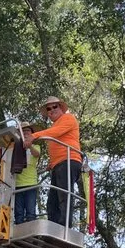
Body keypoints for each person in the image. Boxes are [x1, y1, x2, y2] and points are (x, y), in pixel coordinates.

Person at [24, 96, 81, 227]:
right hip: (59, 164)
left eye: (54, 107)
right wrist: (52, 163)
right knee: (52, 201)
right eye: (48, 109)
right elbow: (58, 139)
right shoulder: (55, 124)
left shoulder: (68, 118)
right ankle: (53, 226)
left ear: (61, 108)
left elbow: (56, 132)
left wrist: (34, 135)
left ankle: (64, 226)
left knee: (64, 195)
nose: (51, 110)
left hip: (69, 160)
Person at [14, 123, 41, 224]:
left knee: (30, 212)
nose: (25, 133)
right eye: (23, 131)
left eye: (27, 131)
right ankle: (17, 234)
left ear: (32, 134)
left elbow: (37, 154)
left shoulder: (36, 146)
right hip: (17, 184)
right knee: (18, 213)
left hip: (31, 183)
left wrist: (29, 146)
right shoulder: (15, 148)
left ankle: (31, 235)